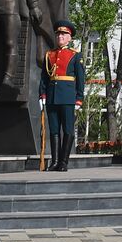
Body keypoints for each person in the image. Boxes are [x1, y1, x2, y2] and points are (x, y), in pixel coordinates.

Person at [39, 20, 84, 172]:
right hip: (52, 97)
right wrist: (42, 94)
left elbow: (80, 78)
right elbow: (44, 77)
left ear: (69, 38)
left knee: (68, 129)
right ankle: (55, 161)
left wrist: (79, 98)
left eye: (64, 34)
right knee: (53, 130)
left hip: (67, 97)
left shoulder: (75, 55)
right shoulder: (50, 55)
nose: (60, 37)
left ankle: (64, 162)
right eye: (58, 34)